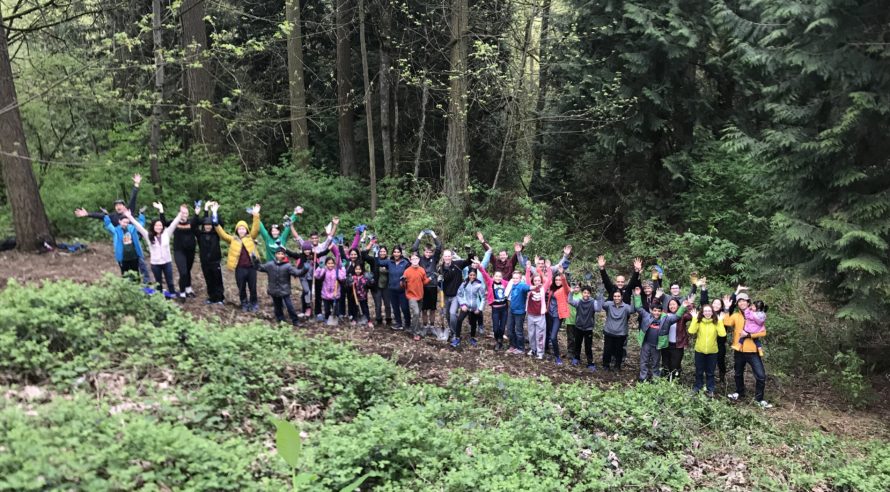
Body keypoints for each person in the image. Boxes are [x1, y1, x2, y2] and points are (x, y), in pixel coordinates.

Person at [77, 173, 150, 283]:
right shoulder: (113, 216)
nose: (118, 206)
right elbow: (101, 216)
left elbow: (133, 198)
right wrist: (88, 214)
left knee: (140, 262)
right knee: (125, 265)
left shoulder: (129, 211)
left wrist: (136, 184)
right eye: (116, 205)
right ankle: (127, 284)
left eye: (120, 204)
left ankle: (146, 282)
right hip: (122, 242)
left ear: (124, 206)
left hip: (134, 239)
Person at [723, 292, 771, 408]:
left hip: (753, 351)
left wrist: (749, 335)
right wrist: (726, 308)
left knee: (760, 376)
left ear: (748, 302)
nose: (742, 303)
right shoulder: (736, 315)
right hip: (738, 350)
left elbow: (763, 332)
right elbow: (726, 322)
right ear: (738, 304)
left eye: (744, 301)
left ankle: (759, 399)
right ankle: (739, 392)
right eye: (739, 301)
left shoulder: (757, 315)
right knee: (738, 373)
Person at [632, 287, 689, 382]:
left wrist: (683, 306)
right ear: (651, 311)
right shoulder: (646, 316)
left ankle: (655, 378)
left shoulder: (666, 319)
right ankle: (643, 377)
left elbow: (677, 317)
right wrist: (637, 295)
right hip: (646, 343)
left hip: (657, 346)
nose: (656, 313)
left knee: (655, 363)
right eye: (655, 311)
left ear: (661, 312)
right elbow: (638, 308)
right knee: (644, 361)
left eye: (659, 311)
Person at [214, 202, 262, 312]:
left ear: (246, 230)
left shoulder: (251, 237)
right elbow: (222, 234)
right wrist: (216, 222)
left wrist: (256, 215)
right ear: (237, 230)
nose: (241, 230)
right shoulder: (233, 239)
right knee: (241, 288)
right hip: (239, 268)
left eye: (243, 228)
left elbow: (255, 228)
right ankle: (244, 303)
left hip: (251, 268)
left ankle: (253, 303)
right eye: (239, 229)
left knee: (253, 287)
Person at [290, 215, 338, 320]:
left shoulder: (322, 246)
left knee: (318, 292)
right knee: (306, 293)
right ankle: (306, 309)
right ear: (310, 239)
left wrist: (335, 225)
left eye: (316, 238)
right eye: (312, 238)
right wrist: (291, 225)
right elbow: (298, 238)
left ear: (318, 238)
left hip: (319, 274)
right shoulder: (306, 246)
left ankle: (318, 312)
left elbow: (330, 238)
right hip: (307, 274)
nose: (314, 240)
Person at [132, 202, 183, 297]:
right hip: (155, 264)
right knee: (158, 282)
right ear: (153, 227)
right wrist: (129, 217)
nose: (159, 227)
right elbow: (138, 226)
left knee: (170, 281)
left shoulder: (167, 233)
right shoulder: (148, 235)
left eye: (160, 225)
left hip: (167, 261)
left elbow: (174, 223)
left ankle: (172, 295)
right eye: (156, 225)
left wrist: (181, 213)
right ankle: (160, 298)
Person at [256, 246, 307, 325]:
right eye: (278, 253)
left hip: (284, 290)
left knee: (289, 306)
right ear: (275, 255)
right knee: (277, 307)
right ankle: (281, 320)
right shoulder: (270, 264)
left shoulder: (288, 266)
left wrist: (304, 269)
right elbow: (259, 268)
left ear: (284, 255)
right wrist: (255, 261)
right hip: (274, 290)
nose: (280, 255)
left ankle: (295, 320)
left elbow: (297, 273)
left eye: (282, 254)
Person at [159, 202, 199, 299]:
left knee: (188, 270)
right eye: (181, 212)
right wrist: (161, 210)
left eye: (185, 213)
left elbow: (197, 222)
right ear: (179, 213)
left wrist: (197, 214)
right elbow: (163, 223)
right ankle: (182, 292)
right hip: (179, 251)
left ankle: (188, 289)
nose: (183, 215)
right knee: (183, 272)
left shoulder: (191, 223)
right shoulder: (174, 222)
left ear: (188, 214)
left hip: (190, 251)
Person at [687, 305, 727, 397]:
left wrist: (720, 321)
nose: (707, 313)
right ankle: (697, 387)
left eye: (709, 311)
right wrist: (694, 318)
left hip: (712, 352)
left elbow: (722, 334)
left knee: (710, 372)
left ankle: (710, 389)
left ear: (712, 312)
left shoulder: (716, 322)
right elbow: (691, 331)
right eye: (705, 311)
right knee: (699, 371)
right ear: (702, 312)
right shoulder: (699, 321)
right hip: (699, 351)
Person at [412, 229, 442, 334]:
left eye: (430, 252)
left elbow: (439, 247)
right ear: (423, 251)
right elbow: (414, 248)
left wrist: (433, 234)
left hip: (433, 286)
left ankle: (432, 326)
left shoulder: (435, 258)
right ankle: (425, 326)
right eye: (426, 251)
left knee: (432, 309)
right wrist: (420, 235)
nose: (428, 253)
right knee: (424, 309)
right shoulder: (419, 259)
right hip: (422, 287)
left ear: (432, 252)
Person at [568, 285, 604, 370]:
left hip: (588, 328)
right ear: (582, 293)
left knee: (588, 346)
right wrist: (571, 292)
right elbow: (570, 301)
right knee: (577, 344)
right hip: (578, 327)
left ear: (590, 294)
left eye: (588, 293)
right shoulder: (578, 301)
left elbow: (598, 308)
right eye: (584, 292)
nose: (586, 294)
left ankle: (590, 362)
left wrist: (600, 295)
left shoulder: (593, 302)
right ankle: (577, 358)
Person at [103, 207, 146, 279]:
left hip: (134, 256)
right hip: (122, 257)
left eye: (127, 222)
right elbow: (108, 225)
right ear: (119, 221)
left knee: (136, 275)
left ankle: (136, 288)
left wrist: (141, 214)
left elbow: (141, 224)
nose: (125, 224)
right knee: (125, 275)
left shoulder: (133, 229)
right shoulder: (116, 230)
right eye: (124, 222)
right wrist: (106, 215)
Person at [600, 289, 635, 371]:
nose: (616, 298)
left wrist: (634, 297)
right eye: (615, 296)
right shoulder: (609, 304)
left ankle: (617, 366)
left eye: (618, 296)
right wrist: (600, 292)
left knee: (619, 350)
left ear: (622, 297)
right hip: (609, 332)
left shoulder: (626, 307)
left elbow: (633, 310)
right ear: (612, 297)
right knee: (607, 350)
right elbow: (601, 304)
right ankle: (606, 365)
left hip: (621, 333)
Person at [439, 249, 471, 341]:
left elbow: (468, 261)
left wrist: (469, 253)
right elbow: (440, 284)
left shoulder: (458, 264)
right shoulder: (440, 268)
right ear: (443, 257)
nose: (447, 258)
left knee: (453, 313)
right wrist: (439, 280)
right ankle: (451, 330)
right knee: (448, 315)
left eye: (449, 256)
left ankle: (455, 333)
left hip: (456, 295)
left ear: (451, 257)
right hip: (445, 295)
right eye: (446, 256)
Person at [197, 201, 225, 304]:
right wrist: (205, 209)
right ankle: (211, 297)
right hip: (205, 262)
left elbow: (220, 224)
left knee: (217, 279)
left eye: (209, 225)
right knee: (209, 280)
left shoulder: (216, 233)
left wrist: (214, 212)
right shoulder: (200, 234)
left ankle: (220, 298)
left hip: (215, 261)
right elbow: (195, 223)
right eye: (206, 225)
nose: (208, 226)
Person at [451, 267, 486, 347]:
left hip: (474, 308)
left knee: (473, 323)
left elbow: (483, 298)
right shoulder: (464, 284)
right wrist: (462, 304)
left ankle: (472, 338)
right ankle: (457, 337)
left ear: (476, 275)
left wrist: (479, 309)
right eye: (470, 275)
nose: (472, 277)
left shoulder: (479, 285)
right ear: (468, 275)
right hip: (465, 307)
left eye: (474, 275)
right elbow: (459, 294)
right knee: (459, 320)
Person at [477, 262, 509, 350]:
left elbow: (514, 283)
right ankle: (498, 339)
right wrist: (479, 266)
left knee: (502, 328)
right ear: (493, 276)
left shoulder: (505, 283)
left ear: (502, 277)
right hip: (495, 309)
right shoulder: (490, 281)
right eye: (496, 276)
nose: (498, 278)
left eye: (500, 276)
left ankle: (499, 342)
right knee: (495, 329)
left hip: (504, 309)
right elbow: (484, 273)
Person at [378, 246, 411, 330]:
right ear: (392, 253)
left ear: (400, 253)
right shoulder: (389, 262)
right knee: (395, 308)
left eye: (398, 252)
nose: (396, 254)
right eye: (395, 252)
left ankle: (408, 324)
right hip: (392, 289)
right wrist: (375, 252)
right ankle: (398, 323)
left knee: (404, 307)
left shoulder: (405, 262)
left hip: (402, 290)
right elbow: (378, 262)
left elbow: (410, 273)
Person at [524, 260, 552, 359]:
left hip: (540, 316)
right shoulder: (529, 287)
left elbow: (549, 280)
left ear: (540, 281)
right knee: (531, 334)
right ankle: (533, 349)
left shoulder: (543, 289)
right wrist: (528, 268)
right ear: (533, 281)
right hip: (531, 315)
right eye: (535, 281)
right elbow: (527, 279)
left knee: (540, 334)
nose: (537, 282)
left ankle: (540, 352)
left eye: (538, 280)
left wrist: (548, 268)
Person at [364, 238, 392, 326]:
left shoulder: (390, 262)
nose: (382, 253)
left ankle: (388, 319)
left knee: (387, 304)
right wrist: (371, 243)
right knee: (378, 304)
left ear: (386, 252)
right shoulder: (373, 260)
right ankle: (378, 319)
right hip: (376, 287)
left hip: (386, 286)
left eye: (384, 251)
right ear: (378, 252)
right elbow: (364, 255)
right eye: (381, 251)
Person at [546, 267, 572, 365]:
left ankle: (557, 357)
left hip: (558, 315)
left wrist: (562, 275)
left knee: (553, 337)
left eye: (559, 280)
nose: (558, 281)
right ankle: (551, 353)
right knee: (549, 335)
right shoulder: (552, 288)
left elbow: (566, 285)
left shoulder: (565, 289)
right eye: (556, 280)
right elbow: (547, 280)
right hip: (550, 314)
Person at [402, 252, 430, 341]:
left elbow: (424, 282)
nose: (415, 260)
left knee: (417, 315)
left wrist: (430, 279)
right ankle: (414, 332)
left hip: (420, 296)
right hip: (411, 296)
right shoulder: (407, 271)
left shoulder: (422, 270)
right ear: (410, 260)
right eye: (413, 259)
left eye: (416, 259)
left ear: (419, 260)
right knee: (416, 313)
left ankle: (415, 328)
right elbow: (403, 285)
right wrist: (402, 282)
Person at [314, 252, 346, 323]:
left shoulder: (336, 271)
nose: (330, 265)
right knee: (327, 309)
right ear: (326, 264)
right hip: (326, 294)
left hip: (335, 294)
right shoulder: (324, 270)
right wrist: (320, 267)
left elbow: (342, 277)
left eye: (332, 263)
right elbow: (316, 276)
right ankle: (327, 318)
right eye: (328, 263)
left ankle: (336, 319)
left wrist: (343, 267)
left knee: (336, 309)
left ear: (334, 264)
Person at [503, 270, 530, 354]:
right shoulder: (513, 285)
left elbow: (528, 287)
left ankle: (520, 348)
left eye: (517, 278)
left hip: (520, 312)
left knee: (518, 330)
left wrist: (536, 287)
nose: (515, 279)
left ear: (520, 278)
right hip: (511, 310)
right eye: (514, 278)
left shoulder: (522, 285)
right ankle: (512, 345)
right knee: (510, 329)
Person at [346, 263, 374, 327]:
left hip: (363, 296)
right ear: (354, 270)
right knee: (354, 308)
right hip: (355, 296)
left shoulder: (364, 277)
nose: (358, 271)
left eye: (359, 269)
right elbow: (347, 285)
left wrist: (370, 282)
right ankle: (355, 319)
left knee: (365, 308)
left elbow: (369, 285)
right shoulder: (352, 277)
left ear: (362, 270)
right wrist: (350, 284)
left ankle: (368, 320)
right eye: (356, 269)